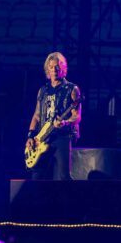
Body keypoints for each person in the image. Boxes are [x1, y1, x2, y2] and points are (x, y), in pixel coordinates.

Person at [25, 52, 82, 180]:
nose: (54, 70)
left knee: (63, 176)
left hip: (63, 136)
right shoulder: (43, 90)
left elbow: (77, 117)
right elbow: (36, 115)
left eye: (57, 67)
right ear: (48, 70)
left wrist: (65, 123)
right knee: (36, 176)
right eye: (51, 67)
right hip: (43, 138)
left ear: (63, 69)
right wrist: (30, 136)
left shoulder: (72, 89)